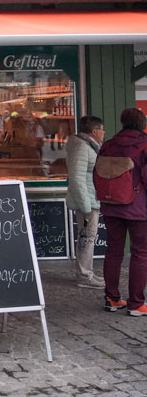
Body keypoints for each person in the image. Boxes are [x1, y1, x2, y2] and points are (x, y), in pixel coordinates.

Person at [100, 108, 147, 316]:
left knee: (113, 251)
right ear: (142, 123)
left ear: (122, 122)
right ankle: (136, 303)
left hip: (111, 205)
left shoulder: (108, 144)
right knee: (140, 253)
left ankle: (112, 298)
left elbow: (98, 174)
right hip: (139, 207)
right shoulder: (144, 144)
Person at [65, 115, 105, 289]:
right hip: (87, 201)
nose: (104, 133)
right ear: (94, 131)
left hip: (90, 198)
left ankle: (86, 272)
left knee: (87, 236)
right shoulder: (82, 147)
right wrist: (86, 206)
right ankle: (84, 275)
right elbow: (76, 178)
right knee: (86, 237)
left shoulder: (88, 146)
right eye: (102, 129)